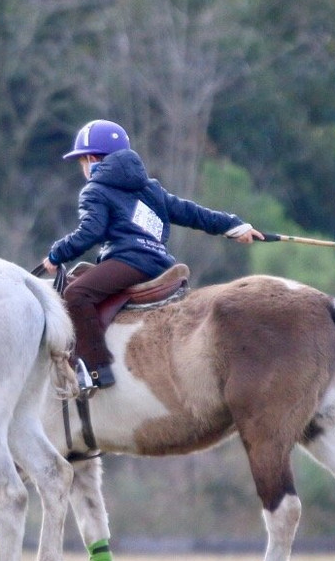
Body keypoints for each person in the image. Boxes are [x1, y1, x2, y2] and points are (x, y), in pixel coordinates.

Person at [41, 119, 263, 391]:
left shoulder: (96, 189)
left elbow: (90, 232)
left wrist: (56, 254)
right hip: (159, 263)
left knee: (76, 294)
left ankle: (95, 369)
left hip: (128, 260)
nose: (83, 169)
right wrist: (234, 225)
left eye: (82, 162)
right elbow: (192, 213)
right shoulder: (150, 189)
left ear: (92, 159)